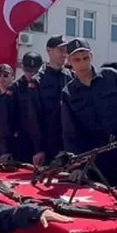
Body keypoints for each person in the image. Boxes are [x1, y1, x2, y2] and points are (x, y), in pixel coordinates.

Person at [60, 38, 117, 184]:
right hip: (96, 159)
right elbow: (71, 133)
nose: (82, 63)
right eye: (77, 59)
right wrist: (77, 166)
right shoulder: (69, 93)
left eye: (86, 58)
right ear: (69, 61)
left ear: (91, 56)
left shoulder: (111, 76)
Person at [29, 36, 72, 165]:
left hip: (71, 146)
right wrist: (39, 149)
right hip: (49, 147)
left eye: (66, 50)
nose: (64, 54)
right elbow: (34, 118)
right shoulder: (38, 81)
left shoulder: (72, 77)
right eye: (61, 50)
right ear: (49, 51)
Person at [10, 52, 43, 163]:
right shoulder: (15, 88)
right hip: (22, 141)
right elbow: (9, 118)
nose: (32, 74)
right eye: (28, 71)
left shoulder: (46, 85)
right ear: (22, 68)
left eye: (35, 71)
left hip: (44, 141)